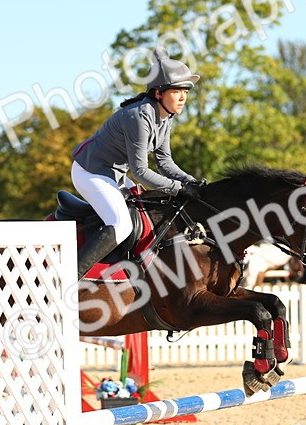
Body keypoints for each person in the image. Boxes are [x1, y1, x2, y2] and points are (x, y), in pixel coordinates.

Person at [69, 46, 206, 278]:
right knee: (121, 224)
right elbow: (141, 171)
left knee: (147, 212)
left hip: (114, 174)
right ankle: (70, 277)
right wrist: (180, 188)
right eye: (177, 91)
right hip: (90, 172)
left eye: (186, 91)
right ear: (159, 93)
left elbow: (164, 161)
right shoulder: (139, 116)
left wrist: (190, 181)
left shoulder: (165, 117)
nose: (183, 97)